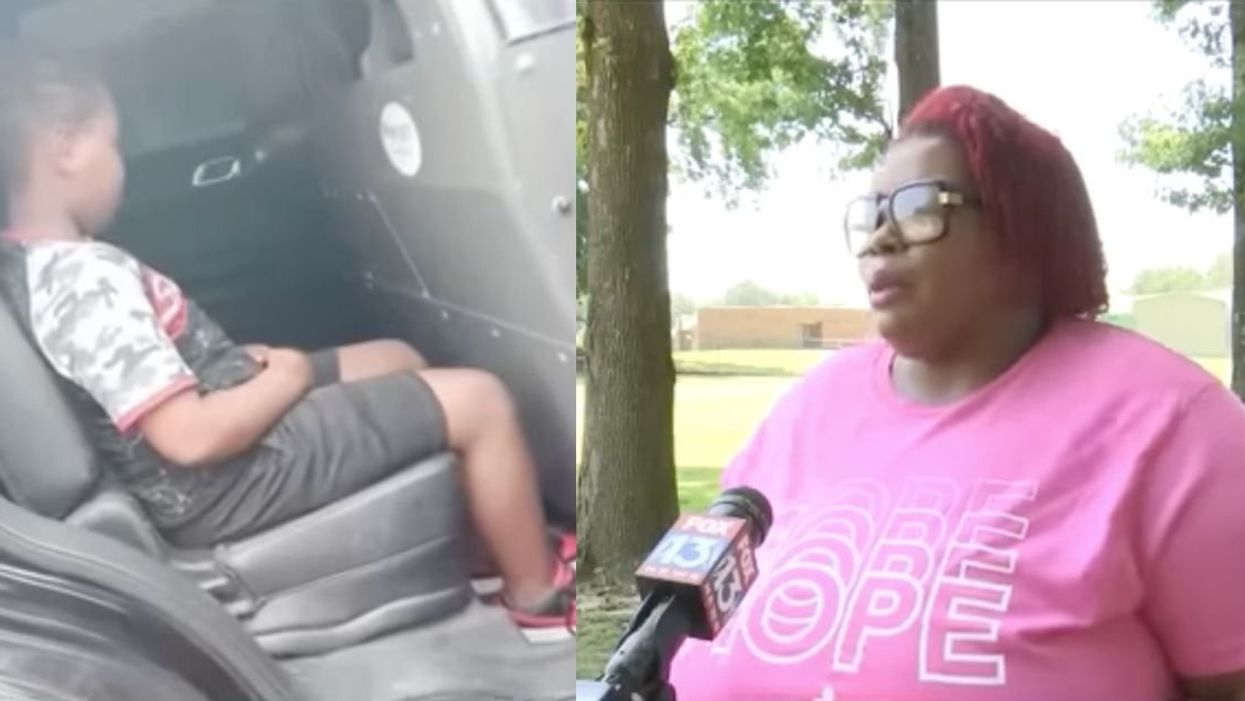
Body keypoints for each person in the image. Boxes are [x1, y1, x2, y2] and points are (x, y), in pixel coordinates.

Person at [668, 85, 1245, 700]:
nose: (880, 238)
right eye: (872, 213)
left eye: (920, 207)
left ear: (1019, 226)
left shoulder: (1171, 425)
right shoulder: (806, 408)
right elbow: (677, 613)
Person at [0, 43, 573, 641]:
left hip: (215, 435)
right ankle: (538, 596)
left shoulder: (29, 264)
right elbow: (190, 438)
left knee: (396, 357)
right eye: (112, 144)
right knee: (480, 400)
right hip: (223, 477)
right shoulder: (82, 281)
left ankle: (487, 541)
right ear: (65, 148)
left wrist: (239, 368)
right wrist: (287, 378)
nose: (122, 164)